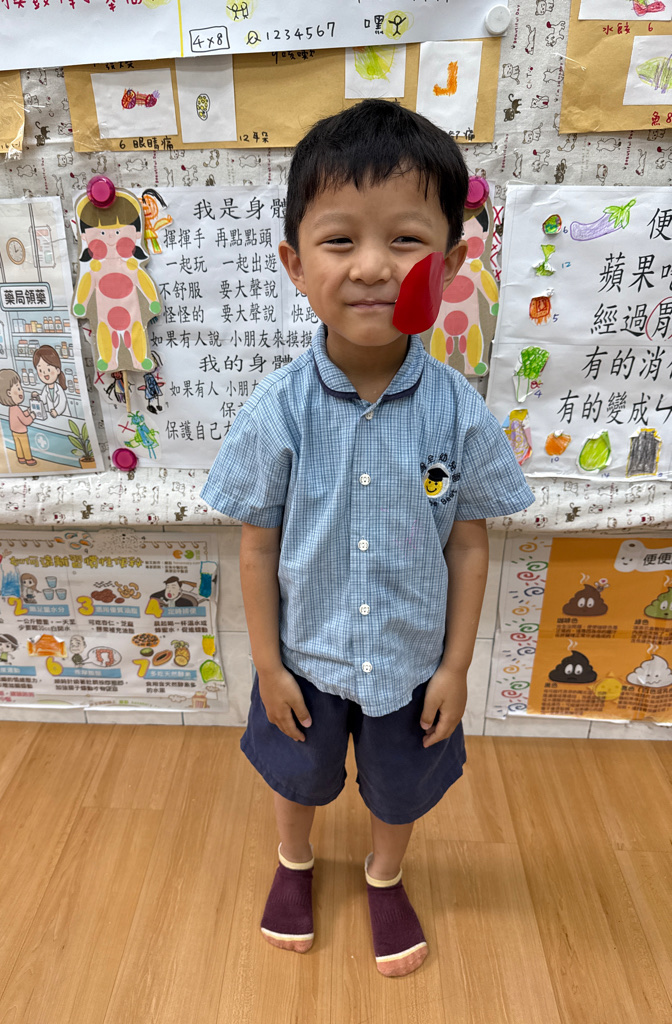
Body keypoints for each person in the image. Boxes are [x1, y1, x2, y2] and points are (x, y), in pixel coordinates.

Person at [200, 99, 534, 978]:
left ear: (451, 264)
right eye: (341, 240)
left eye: (407, 240)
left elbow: (469, 546)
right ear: (295, 263)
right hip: (305, 659)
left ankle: (386, 875)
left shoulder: (459, 413)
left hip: (412, 663)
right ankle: (294, 861)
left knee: (400, 788)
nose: (375, 266)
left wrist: (455, 667)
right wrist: (268, 666)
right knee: (297, 778)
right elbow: (256, 548)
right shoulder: (277, 410)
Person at [0, 368, 38, 467]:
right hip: (21, 431)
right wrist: (32, 416)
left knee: (18, 445)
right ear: (9, 393)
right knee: (25, 445)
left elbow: (19, 416)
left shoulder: (12, 408)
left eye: (20, 388)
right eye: (18, 388)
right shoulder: (16, 408)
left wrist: (27, 411)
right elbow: (25, 421)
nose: (21, 391)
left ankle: (21, 458)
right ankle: (28, 459)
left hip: (14, 431)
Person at [30, 345, 69, 419]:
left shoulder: (59, 388)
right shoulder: (46, 388)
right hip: (52, 416)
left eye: (48, 369)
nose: (45, 373)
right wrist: (37, 396)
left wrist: (57, 411)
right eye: (40, 370)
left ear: (57, 370)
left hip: (63, 416)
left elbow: (62, 403)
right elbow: (43, 399)